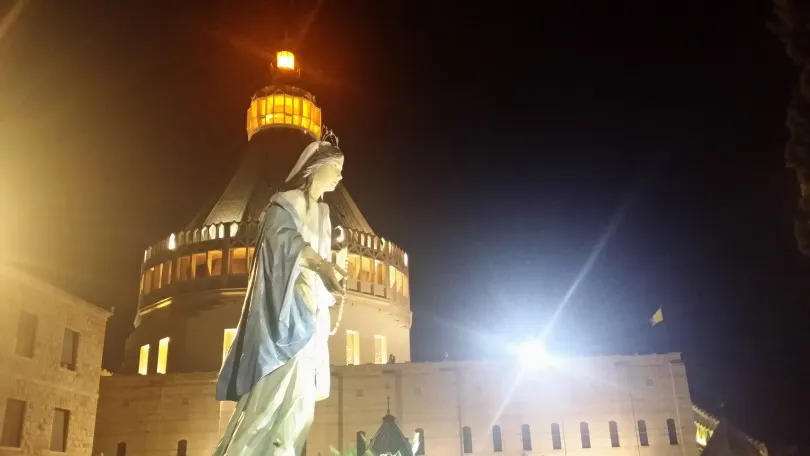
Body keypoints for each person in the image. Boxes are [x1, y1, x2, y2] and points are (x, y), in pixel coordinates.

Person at [213, 140, 347, 456]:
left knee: (300, 406)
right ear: (316, 165)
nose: (340, 177)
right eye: (337, 168)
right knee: (268, 401)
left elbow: (322, 267)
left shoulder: (324, 215)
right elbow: (281, 240)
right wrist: (319, 263)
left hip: (311, 318)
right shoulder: (285, 204)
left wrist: (333, 275)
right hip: (282, 319)